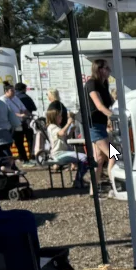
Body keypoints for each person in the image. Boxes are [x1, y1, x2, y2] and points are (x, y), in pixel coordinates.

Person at [85, 59, 115, 195]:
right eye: (107, 68)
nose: (109, 71)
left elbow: (111, 102)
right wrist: (114, 116)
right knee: (114, 155)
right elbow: (99, 106)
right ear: (100, 69)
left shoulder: (104, 84)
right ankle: (116, 187)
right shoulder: (92, 84)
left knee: (99, 159)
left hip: (100, 125)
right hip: (94, 126)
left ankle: (93, 190)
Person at [45, 107, 88, 189]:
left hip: (62, 152)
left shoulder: (56, 126)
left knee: (83, 158)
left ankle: (79, 178)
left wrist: (71, 130)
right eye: (59, 116)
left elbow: (65, 138)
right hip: (59, 154)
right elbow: (61, 133)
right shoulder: (52, 127)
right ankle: (78, 179)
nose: (61, 118)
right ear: (54, 117)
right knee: (84, 158)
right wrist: (68, 124)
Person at [0, 83, 30, 162]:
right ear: (6, 91)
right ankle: (8, 160)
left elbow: (23, 108)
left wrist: (28, 114)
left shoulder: (15, 98)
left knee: (20, 141)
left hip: (18, 123)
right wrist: (20, 115)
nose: (14, 92)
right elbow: (9, 112)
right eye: (11, 91)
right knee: (9, 143)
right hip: (9, 125)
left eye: (14, 90)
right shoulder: (3, 100)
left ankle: (24, 159)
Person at [0, 96, 21, 171]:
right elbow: (16, 122)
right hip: (6, 136)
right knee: (7, 156)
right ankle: (10, 167)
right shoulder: (3, 104)